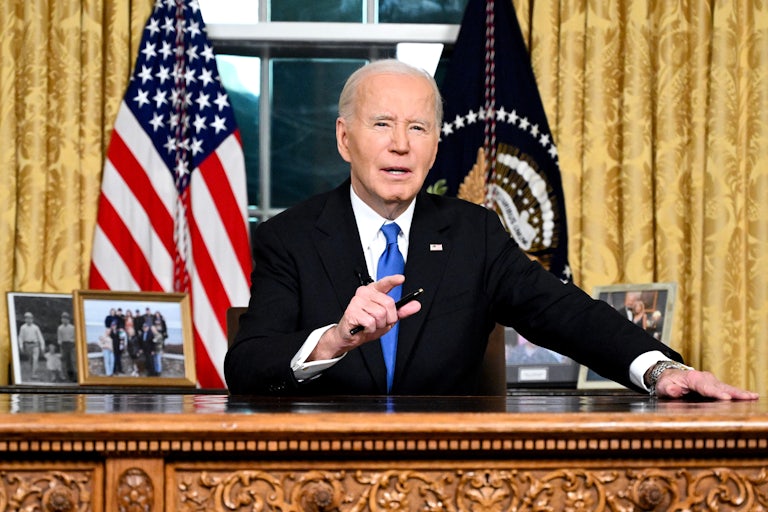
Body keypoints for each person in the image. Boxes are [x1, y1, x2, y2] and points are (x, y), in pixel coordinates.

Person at [224, 59, 757, 401]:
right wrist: (335, 339)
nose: (400, 144)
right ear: (345, 139)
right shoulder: (288, 237)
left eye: (418, 128)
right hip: (322, 472)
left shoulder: (473, 234)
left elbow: (563, 312)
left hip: (450, 474)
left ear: (436, 146)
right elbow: (247, 366)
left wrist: (660, 370)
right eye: (382, 124)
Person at [18, 312, 46, 379]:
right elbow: (21, 337)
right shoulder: (23, 327)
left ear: (32, 319)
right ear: (25, 319)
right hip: (27, 345)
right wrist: (21, 346)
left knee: (35, 359)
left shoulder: (36, 327)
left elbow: (40, 337)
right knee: (30, 360)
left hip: (35, 344)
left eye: (30, 318)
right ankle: (32, 371)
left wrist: (42, 346)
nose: (29, 320)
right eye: (27, 318)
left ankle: (34, 374)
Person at [57, 312, 77, 382]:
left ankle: (74, 376)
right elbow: (59, 338)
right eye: (63, 318)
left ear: (68, 320)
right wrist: (60, 344)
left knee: (72, 360)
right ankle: (66, 376)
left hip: (71, 344)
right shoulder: (60, 328)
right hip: (64, 344)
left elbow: (75, 337)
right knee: (65, 361)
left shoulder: (72, 327)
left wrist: (73, 343)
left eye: (66, 319)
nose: (64, 320)